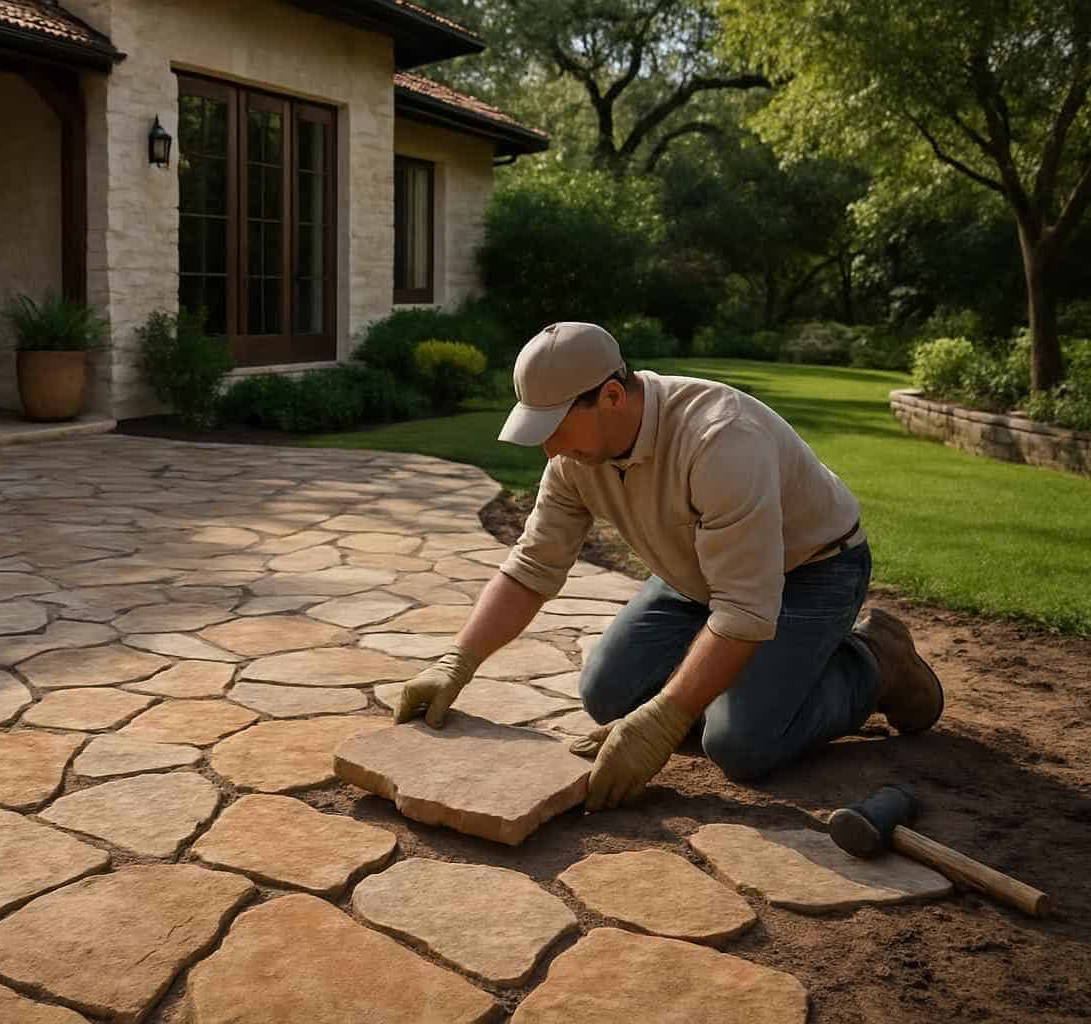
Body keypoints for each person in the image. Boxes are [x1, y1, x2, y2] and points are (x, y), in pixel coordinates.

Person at [395, 322, 944, 810]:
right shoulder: (574, 459)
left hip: (811, 571)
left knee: (740, 743)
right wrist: (455, 661)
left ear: (611, 395)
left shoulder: (720, 440)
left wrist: (665, 718)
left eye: (556, 427)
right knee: (608, 694)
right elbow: (533, 565)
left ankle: (874, 661)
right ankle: (746, 686)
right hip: (700, 573)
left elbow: (745, 608)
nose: (548, 449)